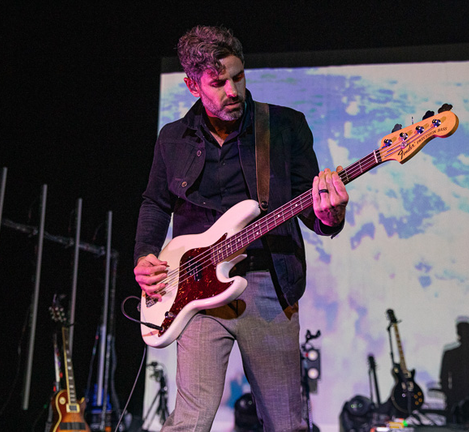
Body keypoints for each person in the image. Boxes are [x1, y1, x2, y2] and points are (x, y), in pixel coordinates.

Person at [132, 25, 348, 431]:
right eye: (218, 83)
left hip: (266, 286)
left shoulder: (284, 127)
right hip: (194, 292)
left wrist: (331, 214)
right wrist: (145, 254)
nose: (233, 91)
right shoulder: (173, 138)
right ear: (192, 85)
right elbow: (155, 203)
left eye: (238, 77)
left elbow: (314, 214)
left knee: (286, 423)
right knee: (189, 423)